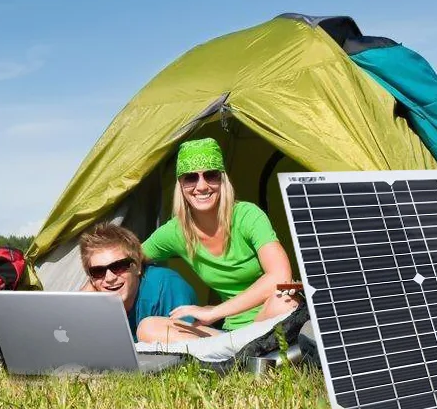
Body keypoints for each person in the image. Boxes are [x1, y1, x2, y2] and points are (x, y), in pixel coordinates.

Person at [142, 137, 299, 332]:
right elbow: (128, 258)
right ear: (180, 185)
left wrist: (214, 312)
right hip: (228, 331)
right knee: (149, 328)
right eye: (190, 177)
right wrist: (94, 286)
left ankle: (244, 351)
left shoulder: (247, 216)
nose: (201, 186)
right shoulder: (176, 230)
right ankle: (236, 351)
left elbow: (280, 276)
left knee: (283, 301)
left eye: (210, 175)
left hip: (267, 318)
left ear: (222, 179)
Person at [78, 222, 218, 343]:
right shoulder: (96, 299)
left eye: (118, 267)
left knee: (148, 328)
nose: (109, 278)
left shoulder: (165, 284)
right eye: (98, 271)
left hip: (211, 344)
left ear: (137, 267)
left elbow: (195, 335)